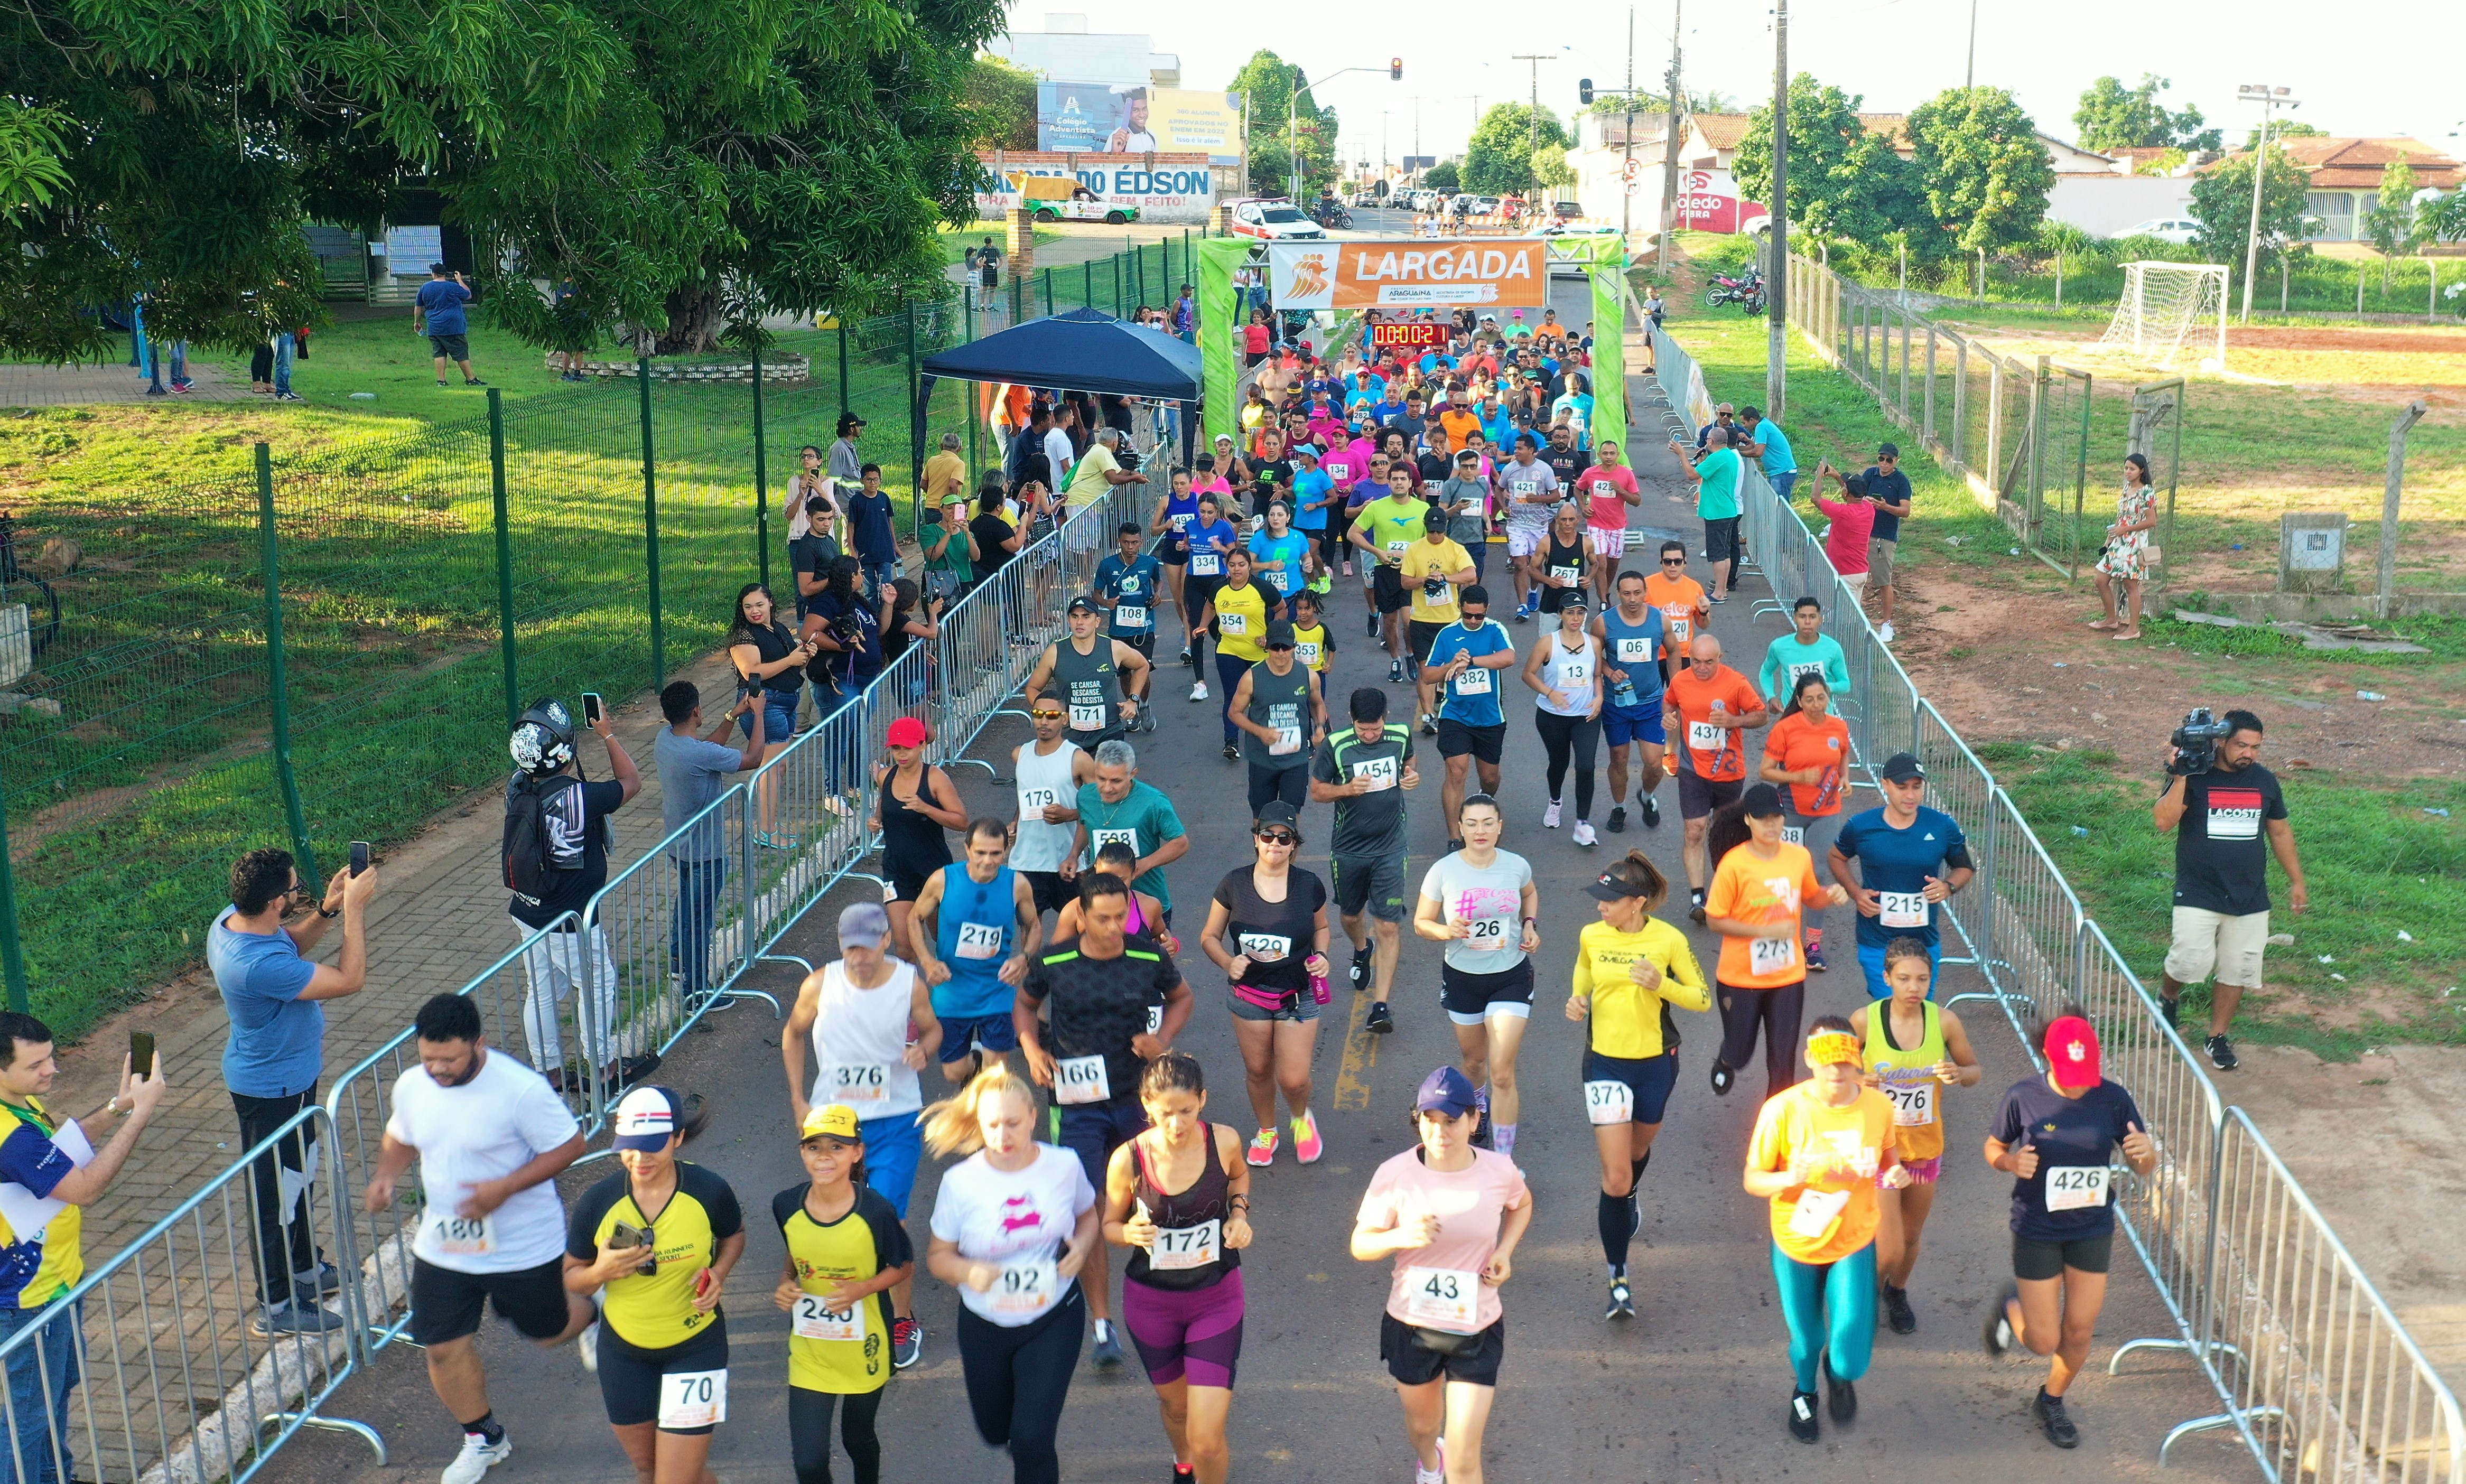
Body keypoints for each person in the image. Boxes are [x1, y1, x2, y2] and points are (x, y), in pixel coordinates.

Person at [361, 994, 594, 1484]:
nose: (438, 1069)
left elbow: (572, 1144)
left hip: (522, 1241)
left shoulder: (519, 1089)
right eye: (429, 1059)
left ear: (478, 1045)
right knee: (442, 1346)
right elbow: (402, 1135)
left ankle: (594, 1309)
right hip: (446, 1242)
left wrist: (504, 1187)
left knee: (548, 1332)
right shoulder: (413, 1085)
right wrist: (386, 1176)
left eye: (450, 1059)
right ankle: (483, 1436)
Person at [1016, 873, 1194, 1372]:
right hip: (1077, 1102)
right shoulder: (1054, 961)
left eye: (1121, 916)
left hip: (1139, 1098)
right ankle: (1102, 1322)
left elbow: (1182, 997)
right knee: (1088, 1206)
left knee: (1154, 1198)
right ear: (1081, 916)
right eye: (1103, 918)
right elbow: (1025, 1006)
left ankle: (1165, 1301)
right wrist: (1031, 1048)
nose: (1115, 927)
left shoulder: (1146, 955)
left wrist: (1164, 1040)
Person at [211, 847, 376, 1336]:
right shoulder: (255, 964)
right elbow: (350, 980)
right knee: (275, 1196)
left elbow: (290, 944)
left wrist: (326, 908)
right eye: (295, 890)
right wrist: (354, 912)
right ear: (275, 902)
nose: (299, 894)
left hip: (290, 1080)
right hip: (273, 1090)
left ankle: (305, 1268)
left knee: (297, 1178)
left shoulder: (236, 921)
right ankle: (277, 1304)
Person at [0, 1012, 169, 1484]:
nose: (52, 1070)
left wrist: (117, 1107)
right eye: (36, 1064)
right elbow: (85, 1186)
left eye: (50, 1057)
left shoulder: (16, 1104)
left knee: (50, 1403)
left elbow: (57, 1151)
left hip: (55, 1285)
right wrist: (141, 1115)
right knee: (27, 1419)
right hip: (28, 1300)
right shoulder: (8, 1136)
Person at [1981, 1011, 2159, 1450]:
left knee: (2079, 1330)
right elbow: (1993, 1146)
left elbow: (2142, 1163)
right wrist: (2009, 1162)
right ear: (2047, 1055)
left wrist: (2146, 1156)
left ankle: (2051, 1399)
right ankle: (2011, 1307)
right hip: (2037, 1225)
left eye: (2086, 1073)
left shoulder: (2113, 1099)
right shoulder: (2023, 1097)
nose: (2081, 1085)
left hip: (2091, 1224)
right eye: (2070, 1074)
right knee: (2043, 1340)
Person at [1350, 1067, 1533, 1484]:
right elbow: (1360, 1245)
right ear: (1418, 1120)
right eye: (1429, 1121)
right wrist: (1400, 1235)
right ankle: (1430, 1463)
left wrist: (1504, 1251)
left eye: (1451, 1121)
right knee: (1423, 1427)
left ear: (1473, 1119)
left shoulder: (1498, 1169)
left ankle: (1451, 1464)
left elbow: (1521, 1204)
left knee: (1466, 1458)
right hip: (1412, 1325)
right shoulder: (1394, 1173)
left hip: (1477, 1327)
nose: (1440, 1132)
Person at [923, 1065, 1100, 1484]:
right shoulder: (960, 1182)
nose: (1003, 1135)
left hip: (1054, 1314)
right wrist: (965, 1269)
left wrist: (1082, 1245)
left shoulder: (1063, 1164)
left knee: (1031, 1440)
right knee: (996, 1431)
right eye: (993, 1125)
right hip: (985, 1323)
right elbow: (937, 1256)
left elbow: (1087, 1214)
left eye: (1013, 1123)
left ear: (1033, 1119)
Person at [564, 1086, 745, 1484]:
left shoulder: (708, 1190)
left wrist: (719, 1272)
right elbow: (571, 1273)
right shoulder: (599, 1202)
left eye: (652, 1146)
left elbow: (734, 1235)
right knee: (650, 1471)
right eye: (630, 1146)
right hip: (624, 1351)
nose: (640, 1158)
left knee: (675, 1479)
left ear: (678, 1138)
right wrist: (601, 1271)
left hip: (696, 1345)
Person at [1742, 1019, 1910, 1444]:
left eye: (1844, 1061)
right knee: (1808, 1337)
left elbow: (1889, 1155)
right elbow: (1753, 1179)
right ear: (1810, 1060)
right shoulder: (1782, 1109)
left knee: (1851, 1352)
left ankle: (1836, 1372)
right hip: (1797, 1242)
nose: (1835, 1070)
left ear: (1856, 1061)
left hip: (1853, 1239)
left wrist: (1894, 1171)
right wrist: (1787, 1178)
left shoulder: (1877, 1106)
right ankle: (1805, 1392)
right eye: (1827, 1061)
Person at [1566, 852, 1708, 1319]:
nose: (1601, 907)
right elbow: (1585, 969)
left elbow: (1702, 998)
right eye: (1600, 899)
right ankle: (1618, 1278)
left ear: (1637, 903)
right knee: (1615, 1175)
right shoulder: (1592, 935)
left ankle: (1627, 1198)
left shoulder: (1668, 939)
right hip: (1605, 1065)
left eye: (1610, 900)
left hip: (1655, 1066)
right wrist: (1579, 998)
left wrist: (1661, 985)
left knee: (1635, 1153)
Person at [1101, 1054, 1252, 1484]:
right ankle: (1181, 1460)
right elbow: (1108, 1224)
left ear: (1202, 1101)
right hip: (1152, 1305)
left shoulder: (1223, 1141)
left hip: (1216, 1298)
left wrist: (1239, 1214)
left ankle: (1199, 1463)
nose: (1176, 1123)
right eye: (1165, 1113)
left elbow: (1239, 1177)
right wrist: (1127, 1232)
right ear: (1147, 1106)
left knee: (1208, 1437)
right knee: (1177, 1408)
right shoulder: (1126, 1160)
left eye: (1186, 1110)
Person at [501, 698, 654, 1089]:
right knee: (598, 985)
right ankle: (603, 1067)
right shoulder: (580, 797)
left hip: (528, 910)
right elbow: (632, 782)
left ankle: (549, 1072)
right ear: (567, 750)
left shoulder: (517, 788)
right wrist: (607, 733)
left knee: (542, 990)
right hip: (570, 919)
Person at [2155, 708, 2303, 1072]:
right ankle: (2168, 995)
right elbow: (2163, 821)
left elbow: (2279, 831)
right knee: (2189, 960)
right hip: (2198, 890)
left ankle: (2217, 1036)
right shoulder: (2195, 775)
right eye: (2241, 745)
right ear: (2220, 740)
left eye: (2254, 747)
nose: (2248, 753)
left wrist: (2297, 880)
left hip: (2249, 896)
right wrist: (2179, 777)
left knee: (2237, 969)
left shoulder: (2264, 781)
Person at [773, 1105, 913, 1484]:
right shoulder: (786, 1205)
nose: (824, 1157)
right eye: (814, 1147)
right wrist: (787, 1280)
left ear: (857, 1152)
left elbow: (903, 1266)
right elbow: (795, 1248)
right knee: (808, 1462)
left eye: (837, 1147)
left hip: (865, 1343)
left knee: (858, 1437)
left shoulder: (876, 1212)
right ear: (802, 1152)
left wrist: (861, 1289)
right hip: (810, 1349)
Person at [1848, 939, 1980, 1336]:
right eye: (1904, 978)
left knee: (1909, 1238)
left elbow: (1974, 1069)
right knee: (1887, 1245)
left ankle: (1897, 1291)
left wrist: (1959, 1074)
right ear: (1886, 978)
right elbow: (1829, 1075)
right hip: (1879, 1150)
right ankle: (1863, 1297)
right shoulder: (1862, 1021)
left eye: (1922, 978)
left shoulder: (1944, 1022)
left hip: (1924, 1146)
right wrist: (1857, 1079)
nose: (1914, 986)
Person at [1198, 800, 1333, 1167]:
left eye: (1283, 837)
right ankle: (1267, 1130)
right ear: (1256, 840)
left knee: (1293, 1078)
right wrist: (1229, 961)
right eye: (1267, 835)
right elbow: (1209, 935)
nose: (1275, 843)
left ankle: (1301, 1118)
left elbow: (1321, 928)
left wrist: (1321, 957)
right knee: (1258, 1070)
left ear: (1294, 844)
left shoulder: (1308, 885)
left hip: (1297, 993)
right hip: (1249, 996)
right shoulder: (1234, 884)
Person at [1706, 784, 1848, 1101]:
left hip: (1788, 976)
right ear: (1748, 821)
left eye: (1776, 817)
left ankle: (1777, 1134)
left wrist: (1832, 894)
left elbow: (1812, 896)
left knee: (1783, 1063)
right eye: (1762, 819)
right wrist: (1764, 932)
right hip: (1740, 977)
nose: (1771, 825)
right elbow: (1715, 920)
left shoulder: (1798, 858)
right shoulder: (1734, 864)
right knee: (1741, 1053)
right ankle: (1727, 1059)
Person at [1415, 797, 1540, 1156]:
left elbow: (1529, 893)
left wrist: (1529, 925)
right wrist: (1446, 931)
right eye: (1472, 823)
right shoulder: (1443, 870)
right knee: (1474, 1061)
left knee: (1501, 1071)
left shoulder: (1516, 865)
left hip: (1510, 975)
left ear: (1500, 826)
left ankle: (1502, 1160)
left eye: (1488, 822)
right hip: (1462, 977)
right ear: (1460, 827)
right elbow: (1421, 923)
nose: (1480, 830)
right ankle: (1478, 1104)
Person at [1312, 687, 1420, 1036]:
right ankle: (1361, 949)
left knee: (1388, 925)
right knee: (1349, 915)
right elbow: (1317, 790)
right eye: (1363, 730)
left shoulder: (1400, 735)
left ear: (1385, 718)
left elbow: (1409, 761)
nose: (1370, 736)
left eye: (1375, 729)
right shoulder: (1337, 745)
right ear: (1352, 721)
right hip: (1349, 848)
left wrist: (1410, 776)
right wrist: (1346, 789)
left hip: (1390, 845)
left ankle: (1380, 1007)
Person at [1830, 752, 1977, 1002]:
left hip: (1924, 943)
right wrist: (1856, 893)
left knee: (1919, 1014)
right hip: (1877, 941)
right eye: (1902, 787)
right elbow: (1836, 857)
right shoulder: (1862, 826)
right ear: (1886, 784)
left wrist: (1948, 887)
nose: (1910, 795)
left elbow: (1965, 867)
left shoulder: (1941, 826)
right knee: (1891, 1012)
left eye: (1917, 787)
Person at [655, 681, 766, 1006]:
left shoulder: (666, 741)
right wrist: (758, 715)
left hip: (680, 847)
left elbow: (709, 751)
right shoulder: (699, 753)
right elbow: (754, 758)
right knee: (699, 922)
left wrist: (733, 714)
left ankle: (678, 965)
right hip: (707, 853)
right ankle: (697, 992)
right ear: (697, 711)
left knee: (685, 907)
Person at [904, 819, 1038, 1088]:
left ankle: (982, 1121)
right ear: (967, 849)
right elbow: (914, 917)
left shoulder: (1017, 884)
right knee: (954, 1073)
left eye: (995, 854)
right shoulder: (943, 880)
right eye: (981, 853)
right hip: (953, 991)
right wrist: (927, 961)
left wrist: (1024, 958)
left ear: (1005, 851)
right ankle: (974, 1062)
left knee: (995, 1077)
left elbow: (1033, 925)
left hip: (996, 990)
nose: (988, 861)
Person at [1663, 635, 1766, 919]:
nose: (1702, 668)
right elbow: (1670, 704)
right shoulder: (1681, 681)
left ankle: (1727, 890)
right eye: (1696, 661)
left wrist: (1734, 721)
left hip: (1729, 772)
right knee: (1694, 830)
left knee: (1726, 835)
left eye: (1709, 662)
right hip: (1692, 770)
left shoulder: (1736, 683)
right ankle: (1698, 897)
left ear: (1720, 658)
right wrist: (1669, 719)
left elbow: (1761, 715)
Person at [1758, 673, 1853, 970]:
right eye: (1809, 699)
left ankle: (1813, 945)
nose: (1815, 705)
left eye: (1821, 698)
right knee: (1786, 875)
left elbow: (1843, 757)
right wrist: (1797, 777)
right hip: (1791, 810)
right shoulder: (1786, 729)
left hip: (1827, 810)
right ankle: (1780, 939)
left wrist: (1845, 778)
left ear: (1828, 697)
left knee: (1818, 873)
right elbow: (1765, 771)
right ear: (1799, 701)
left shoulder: (1838, 727)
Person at [868, 715, 966, 955]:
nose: (902, 754)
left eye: (908, 748)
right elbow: (885, 801)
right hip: (897, 870)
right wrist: (877, 820)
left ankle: (949, 988)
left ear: (922, 746)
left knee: (943, 938)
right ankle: (912, 993)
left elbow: (962, 822)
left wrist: (927, 808)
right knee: (905, 944)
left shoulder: (935, 779)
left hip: (933, 871)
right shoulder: (885, 776)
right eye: (896, 748)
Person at [1066, 739, 1191, 928]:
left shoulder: (1153, 802)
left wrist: (1144, 864)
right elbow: (1086, 824)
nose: (1107, 788)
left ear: (1133, 774)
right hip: (1101, 903)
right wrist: (1074, 855)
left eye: (1116, 781)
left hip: (1148, 901)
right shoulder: (1086, 796)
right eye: (1101, 779)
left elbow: (1180, 842)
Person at [1425, 587, 1516, 838]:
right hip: (1455, 715)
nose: (1473, 621)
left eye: (1479, 616)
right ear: (1460, 609)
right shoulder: (1447, 634)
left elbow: (1509, 658)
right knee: (1456, 771)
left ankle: (1485, 801)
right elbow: (1427, 676)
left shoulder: (1495, 630)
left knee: (1490, 778)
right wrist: (1451, 665)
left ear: (1486, 611)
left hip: (1489, 717)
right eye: (1468, 616)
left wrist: (1472, 661)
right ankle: (1456, 837)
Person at [1522, 589, 1605, 845]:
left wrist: (1599, 697)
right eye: (1570, 613)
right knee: (1559, 763)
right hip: (1552, 716)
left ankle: (1582, 823)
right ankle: (1555, 800)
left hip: (1585, 716)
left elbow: (1596, 676)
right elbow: (1528, 674)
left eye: (1581, 613)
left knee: (1586, 766)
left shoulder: (1593, 643)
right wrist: (1550, 692)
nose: (1576, 618)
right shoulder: (1548, 643)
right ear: (1560, 615)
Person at [1595, 570, 1671, 835]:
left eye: (1637, 593)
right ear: (1618, 594)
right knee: (1619, 758)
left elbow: (1673, 650)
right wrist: (1607, 671)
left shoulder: (1660, 620)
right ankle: (1619, 807)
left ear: (1645, 593)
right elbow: (1593, 656)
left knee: (1654, 762)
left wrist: (1676, 687)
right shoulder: (1604, 622)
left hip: (1650, 703)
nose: (1632, 599)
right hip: (1617, 704)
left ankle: (1648, 796)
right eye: (1626, 593)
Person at [1025, 597, 1148, 756]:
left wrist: (1133, 701)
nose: (1080, 622)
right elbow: (1033, 688)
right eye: (1074, 617)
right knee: (1076, 781)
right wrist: (1048, 712)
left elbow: (1142, 666)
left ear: (1097, 621)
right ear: (1069, 620)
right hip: (1069, 738)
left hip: (1109, 734)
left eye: (1086, 616)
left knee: (1106, 779)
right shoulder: (1055, 653)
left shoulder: (1113, 648)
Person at [1226, 621, 1326, 814]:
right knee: (1262, 818)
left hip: (1296, 760)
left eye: (1286, 647)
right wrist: (1260, 731)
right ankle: (1260, 845)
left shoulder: (1309, 676)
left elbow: (1318, 703)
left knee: (1291, 818)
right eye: (1275, 647)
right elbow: (1234, 712)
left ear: (1294, 647)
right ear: (1267, 647)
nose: (1281, 653)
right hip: (1263, 760)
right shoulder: (1251, 678)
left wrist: (1320, 726)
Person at [1010, 704, 1097, 927]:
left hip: (1067, 859)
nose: (1044, 721)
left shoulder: (1078, 759)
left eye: (1051, 715)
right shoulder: (1020, 754)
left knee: (1080, 927)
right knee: (1030, 929)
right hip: (1027, 859)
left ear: (1065, 719)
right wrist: (1015, 822)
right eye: (1038, 715)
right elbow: (1025, 794)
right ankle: (1032, 964)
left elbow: (1100, 806)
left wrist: (1069, 815)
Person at [1400, 510, 1478, 731]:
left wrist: (1446, 578)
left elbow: (1471, 575)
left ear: (1446, 528)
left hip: (1450, 621)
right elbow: (1405, 582)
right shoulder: (1415, 550)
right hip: (1422, 620)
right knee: (1426, 670)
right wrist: (1423, 580)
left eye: (1439, 530)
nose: (1435, 535)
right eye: (1431, 530)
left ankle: (1453, 706)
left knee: (1454, 666)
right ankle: (1427, 716)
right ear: (1425, 527)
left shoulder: (1456, 549)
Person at [1196, 550, 1272, 758]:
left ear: (1249, 566)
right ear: (1226, 566)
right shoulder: (1218, 588)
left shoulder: (1261, 588)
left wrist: (1269, 634)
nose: (1237, 569)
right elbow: (1210, 606)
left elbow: (1282, 609)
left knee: (1260, 698)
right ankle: (1231, 742)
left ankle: (1262, 738)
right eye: (1232, 565)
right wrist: (1203, 626)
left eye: (1241, 565)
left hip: (1258, 653)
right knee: (1232, 696)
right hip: (1228, 650)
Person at [1669, 426, 1742, 604]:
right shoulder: (1730, 456)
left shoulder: (1717, 458)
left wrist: (1681, 454)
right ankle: (1722, 590)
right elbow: (1708, 471)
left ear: (1711, 442)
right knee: (1725, 553)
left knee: (1718, 553)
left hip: (1716, 511)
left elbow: (1692, 474)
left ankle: (1718, 593)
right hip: (1728, 509)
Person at [2091, 452, 2159, 641]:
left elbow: (2152, 521)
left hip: (2135, 544)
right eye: (2126, 468)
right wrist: (2110, 537)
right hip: (2119, 542)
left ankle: (2134, 629)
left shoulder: (2146, 492)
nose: (2128, 472)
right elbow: (2121, 517)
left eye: (2132, 469)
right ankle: (2111, 620)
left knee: (2131, 585)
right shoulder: (2127, 488)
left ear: (2142, 471)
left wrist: (2125, 530)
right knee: (2101, 580)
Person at [1494, 435, 1561, 621]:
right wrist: (1504, 507)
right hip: (1516, 524)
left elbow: (1556, 496)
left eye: (1520, 448)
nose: (1516, 452)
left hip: (1538, 524)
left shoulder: (1543, 469)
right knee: (1519, 564)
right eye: (1515, 448)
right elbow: (1498, 489)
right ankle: (1522, 606)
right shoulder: (1510, 469)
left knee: (1535, 565)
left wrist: (1538, 499)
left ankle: (1533, 591)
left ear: (1531, 450)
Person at [1180, 494, 1241, 702]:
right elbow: (1188, 543)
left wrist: (1221, 549)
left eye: (1210, 512)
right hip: (1194, 582)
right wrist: (1184, 547)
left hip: (1217, 583)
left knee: (1217, 629)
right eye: (1202, 512)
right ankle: (1200, 684)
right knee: (1197, 629)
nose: (1205, 516)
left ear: (1217, 512)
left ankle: (1234, 658)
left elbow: (1234, 556)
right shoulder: (1190, 525)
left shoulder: (1224, 528)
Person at [1757, 598, 1852, 716]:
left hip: (1824, 718)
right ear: (1795, 618)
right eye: (1802, 617)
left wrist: (1822, 687)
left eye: (1813, 617)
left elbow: (1845, 685)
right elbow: (1766, 672)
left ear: (1820, 620)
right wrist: (1771, 697)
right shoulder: (1779, 647)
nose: (1807, 622)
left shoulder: (1833, 648)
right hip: (1792, 719)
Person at [1093, 524, 1167, 674]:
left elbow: (1158, 581)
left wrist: (1158, 594)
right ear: (1118, 542)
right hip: (1118, 629)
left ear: (1142, 542)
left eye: (1134, 543)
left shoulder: (1150, 562)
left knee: (1143, 669)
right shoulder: (1107, 565)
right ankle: (1130, 699)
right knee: (1124, 674)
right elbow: (1096, 594)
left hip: (1144, 627)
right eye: (1125, 542)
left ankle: (1144, 700)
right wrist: (1106, 603)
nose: (1130, 547)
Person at [1858, 443, 1912, 641]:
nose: (1885, 464)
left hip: (1884, 537)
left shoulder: (1901, 482)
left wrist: (1885, 507)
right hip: (1864, 533)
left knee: (1883, 581)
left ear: (1896, 461)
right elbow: (1855, 492)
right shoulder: (1870, 475)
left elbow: (1905, 511)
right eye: (1882, 459)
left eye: (1889, 460)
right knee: (1855, 576)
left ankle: (1887, 624)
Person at [1578, 442, 1641, 606]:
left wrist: (1621, 490)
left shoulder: (1626, 474)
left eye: (1612, 454)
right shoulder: (1590, 473)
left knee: (1612, 564)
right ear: (1599, 455)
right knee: (1601, 563)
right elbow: (1578, 488)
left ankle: (1605, 590)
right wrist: (1584, 507)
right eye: (1605, 453)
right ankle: (1604, 602)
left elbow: (1637, 501)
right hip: (1596, 524)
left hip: (1618, 526)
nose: (1608, 457)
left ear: (1618, 455)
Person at [413, 264, 483, 387]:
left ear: (433, 274)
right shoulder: (453, 287)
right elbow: (468, 295)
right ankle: (471, 379)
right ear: (445, 274)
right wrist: (460, 280)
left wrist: (417, 322)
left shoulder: (425, 288)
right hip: (453, 326)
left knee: (439, 353)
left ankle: (441, 381)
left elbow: (418, 307)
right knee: (461, 353)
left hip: (434, 326)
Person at [1640, 539, 1709, 655]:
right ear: (1661, 562)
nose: (1673, 566)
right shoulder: (1646, 586)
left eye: (1677, 561)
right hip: (1654, 655)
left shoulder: (1695, 588)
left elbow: (1703, 625)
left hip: (1684, 654)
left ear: (1685, 562)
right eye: (1668, 562)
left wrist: (1704, 613)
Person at [922, 492, 978, 607]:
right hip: (939, 581)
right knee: (939, 621)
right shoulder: (930, 530)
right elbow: (934, 556)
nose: (953, 512)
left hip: (963, 581)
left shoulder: (967, 533)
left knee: (959, 620)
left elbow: (976, 557)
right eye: (949, 508)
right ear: (941, 510)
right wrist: (948, 533)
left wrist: (967, 533)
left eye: (958, 508)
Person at [1737, 406, 1798, 501]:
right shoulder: (1764, 424)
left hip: (1782, 472)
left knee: (1781, 507)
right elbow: (1755, 446)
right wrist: (1735, 448)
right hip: (1780, 472)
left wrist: (1738, 453)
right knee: (1777, 504)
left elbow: (1758, 452)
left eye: (1744, 423)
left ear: (1752, 420)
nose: (1744, 426)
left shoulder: (1761, 427)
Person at [830, 413, 866, 487]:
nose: (860, 429)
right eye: (858, 426)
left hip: (854, 495)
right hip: (846, 497)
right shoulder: (839, 449)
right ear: (852, 429)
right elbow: (834, 479)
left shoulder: (848, 446)